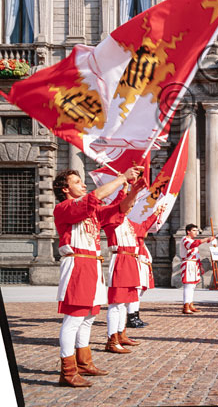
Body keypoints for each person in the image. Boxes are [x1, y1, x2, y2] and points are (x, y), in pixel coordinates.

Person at [52, 164, 143, 388]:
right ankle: (68, 370)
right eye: (76, 182)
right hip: (78, 263)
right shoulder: (65, 207)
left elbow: (117, 210)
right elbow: (95, 197)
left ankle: (84, 362)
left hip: (93, 264)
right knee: (73, 318)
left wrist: (132, 190)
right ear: (65, 189)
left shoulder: (89, 210)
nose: (83, 184)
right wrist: (121, 177)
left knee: (89, 316)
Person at [102, 183, 159, 353]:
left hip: (132, 261)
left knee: (126, 302)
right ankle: (112, 340)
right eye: (129, 205)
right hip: (121, 259)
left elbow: (144, 227)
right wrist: (124, 190)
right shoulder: (112, 219)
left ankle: (121, 334)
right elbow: (119, 205)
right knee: (116, 304)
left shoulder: (129, 223)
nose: (130, 207)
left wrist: (156, 213)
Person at [180, 224, 215, 314]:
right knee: (188, 286)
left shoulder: (192, 240)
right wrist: (206, 239)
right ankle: (186, 306)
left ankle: (191, 304)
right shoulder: (185, 239)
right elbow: (192, 245)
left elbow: (197, 254)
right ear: (188, 231)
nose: (197, 232)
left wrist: (200, 265)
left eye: (197, 230)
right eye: (194, 230)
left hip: (194, 264)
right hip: (188, 263)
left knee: (193, 286)